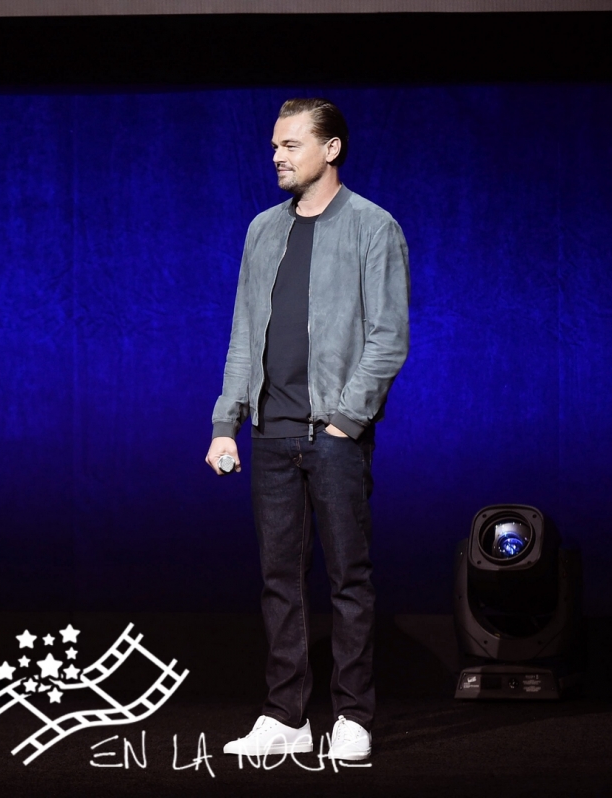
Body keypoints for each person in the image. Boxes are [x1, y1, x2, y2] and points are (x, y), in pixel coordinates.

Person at [205, 98, 409, 762]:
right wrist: (226, 421)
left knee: (349, 577)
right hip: (270, 432)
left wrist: (347, 421)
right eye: (274, 147)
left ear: (331, 149)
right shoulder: (264, 229)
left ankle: (352, 716)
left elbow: (388, 337)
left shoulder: (373, 227)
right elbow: (243, 333)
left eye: (291, 145)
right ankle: (285, 715)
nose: (277, 157)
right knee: (279, 580)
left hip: (335, 434)